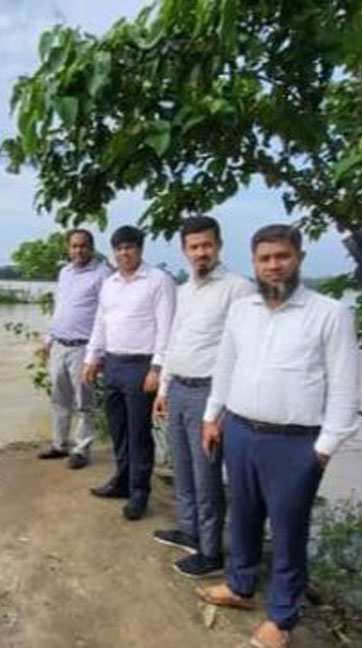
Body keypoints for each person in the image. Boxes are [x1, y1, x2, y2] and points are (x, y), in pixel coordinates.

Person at [199, 224, 360, 648]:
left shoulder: (331, 314)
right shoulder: (242, 310)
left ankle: (282, 617)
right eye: (264, 258)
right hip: (239, 431)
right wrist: (212, 416)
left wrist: (323, 449)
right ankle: (240, 585)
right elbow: (225, 366)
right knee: (244, 516)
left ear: (299, 258)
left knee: (289, 531)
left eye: (282, 256)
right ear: (253, 263)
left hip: (295, 443)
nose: (273, 266)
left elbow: (345, 388)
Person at [151, 216, 255, 578]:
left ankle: (210, 553)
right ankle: (188, 530)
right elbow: (174, 340)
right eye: (193, 247)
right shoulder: (184, 290)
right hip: (179, 388)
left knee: (206, 474)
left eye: (206, 245)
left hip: (210, 393)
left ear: (219, 245)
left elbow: (246, 349)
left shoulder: (238, 288)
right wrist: (163, 388)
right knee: (182, 466)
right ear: (184, 251)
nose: (200, 253)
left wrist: (223, 406)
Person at [82, 225, 175, 520]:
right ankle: (121, 481)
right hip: (112, 363)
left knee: (138, 434)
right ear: (114, 252)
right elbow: (101, 322)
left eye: (130, 247)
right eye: (119, 248)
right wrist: (91, 358)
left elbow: (166, 328)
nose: (124, 253)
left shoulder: (158, 280)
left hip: (141, 366)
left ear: (140, 249)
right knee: (118, 429)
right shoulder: (109, 283)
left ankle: (139, 493)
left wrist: (157, 368)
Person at [37, 229, 112, 468]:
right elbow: (60, 308)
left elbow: (108, 314)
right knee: (59, 399)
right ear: (68, 248)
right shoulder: (65, 272)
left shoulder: (103, 274)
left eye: (83, 246)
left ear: (92, 248)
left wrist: (99, 353)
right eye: (74, 246)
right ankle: (59, 445)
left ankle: (81, 450)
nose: (78, 250)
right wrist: (48, 337)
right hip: (59, 345)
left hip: (84, 348)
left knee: (84, 402)